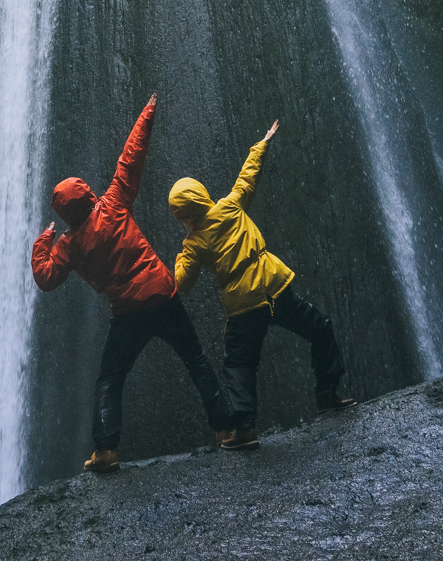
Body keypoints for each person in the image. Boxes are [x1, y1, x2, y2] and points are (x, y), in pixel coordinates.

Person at [33, 92, 231, 473]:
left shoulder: (69, 248)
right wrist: (148, 111)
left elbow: (45, 277)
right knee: (197, 361)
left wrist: (45, 240)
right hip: (163, 293)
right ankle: (226, 429)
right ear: (87, 194)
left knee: (110, 378)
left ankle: (106, 449)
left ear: (63, 213)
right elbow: (131, 157)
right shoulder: (113, 204)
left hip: (128, 313)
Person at [169, 118, 350, 450]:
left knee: (239, 364)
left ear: (185, 215)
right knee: (320, 327)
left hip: (243, 306)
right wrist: (262, 142)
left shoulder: (194, 244)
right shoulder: (231, 205)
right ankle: (327, 392)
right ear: (203, 196)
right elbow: (247, 174)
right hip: (275, 286)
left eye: (179, 216)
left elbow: (183, 282)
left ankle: (245, 427)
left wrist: (180, 255)